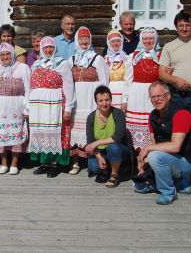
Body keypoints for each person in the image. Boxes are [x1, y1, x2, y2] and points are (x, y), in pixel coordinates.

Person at [135, 81, 191, 205]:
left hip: (186, 161)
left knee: (154, 156)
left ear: (168, 95)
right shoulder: (153, 116)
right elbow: (152, 141)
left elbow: (175, 146)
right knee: (138, 184)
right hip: (169, 158)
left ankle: (168, 192)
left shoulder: (181, 114)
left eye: (159, 96)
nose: (156, 100)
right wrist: (144, 163)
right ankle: (181, 182)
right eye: (153, 97)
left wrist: (148, 150)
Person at [29, 36, 75, 178]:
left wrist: (68, 108)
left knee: (55, 132)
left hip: (55, 103)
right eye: (45, 47)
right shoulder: (36, 64)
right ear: (41, 49)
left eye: (51, 47)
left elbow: (69, 86)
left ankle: (55, 163)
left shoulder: (62, 63)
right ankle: (45, 162)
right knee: (42, 132)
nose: (48, 50)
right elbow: (31, 86)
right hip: (38, 106)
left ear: (55, 48)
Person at [68, 26, 109, 175]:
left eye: (86, 38)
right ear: (77, 41)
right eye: (81, 38)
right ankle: (76, 162)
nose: (84, 41)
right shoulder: (71, 59)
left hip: (91, 101)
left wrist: (101, 102)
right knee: (75, 130)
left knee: (91, 129)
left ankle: (92, 160)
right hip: (77, 100)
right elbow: (67, 82)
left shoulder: (97, 59)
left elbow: (104, 83)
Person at [0, 42, 31, 175]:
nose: (5, 57)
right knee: (2, 134)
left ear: (13, 54)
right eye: (2, 55)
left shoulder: (23, 68)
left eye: (7, 54)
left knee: (15, 133)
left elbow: (28, 90)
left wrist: (27, 108)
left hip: (16, 106)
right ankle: (3, 163)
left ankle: (14, 163)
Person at [122, 27, 161, 160]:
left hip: (153, 96)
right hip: (136, 96)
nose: (148, 41)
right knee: (136, 130)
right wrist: (124, 100)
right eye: (145, 39)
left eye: (151, 38)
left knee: (152, 127)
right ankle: (138, 161)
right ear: (141, 40)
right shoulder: (133, 56)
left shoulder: (160, 56)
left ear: (155, 39)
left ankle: (151, 160)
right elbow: (127, 81)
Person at [83, 85, 129, 187]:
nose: (104, 103)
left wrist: (97, 142)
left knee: (113, 147)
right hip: (101, 151)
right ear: (96, 102)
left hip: (118, 149)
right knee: (94, 166)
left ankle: (114, 174)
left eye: (107, 100)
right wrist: (99, 157)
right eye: (101, 101)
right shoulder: (91, 118)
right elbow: (90, 142)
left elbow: (118, 137)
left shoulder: (118, 114)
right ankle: (110, 167)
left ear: (111, 100)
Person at [104, 29, 128, 108]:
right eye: (113, 41)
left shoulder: (126, 58)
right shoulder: (105, 59)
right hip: (110, 91)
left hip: (123, 91)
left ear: (121, 42)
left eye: (118, 41)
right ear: (109, 43)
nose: (115, 43)